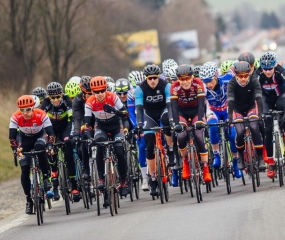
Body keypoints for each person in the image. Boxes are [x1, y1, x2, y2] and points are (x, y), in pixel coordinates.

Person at [83, 76, 131, 198]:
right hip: (101, 126)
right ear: (92, 92)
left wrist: (114, 111)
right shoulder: (89, 102)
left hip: (116, 125)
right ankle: (101, 179)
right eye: (96, 92)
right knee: (99, 145)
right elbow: (87, 124)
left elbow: (125, 114)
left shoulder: (113, 97)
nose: (100, 94)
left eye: (102, 91)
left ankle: (124, 181)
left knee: (119, 150)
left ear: (106, 89)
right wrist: (89, 137)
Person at [9, 95, 54, 215]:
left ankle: (45, 178)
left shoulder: (41, 114)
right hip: (24, 140)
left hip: (40, 137)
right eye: (22, 110)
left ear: (33, 108)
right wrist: (15, 149)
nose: (25, 113)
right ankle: (28, 200)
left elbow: (51, 134)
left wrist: (50, 145)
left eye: (28, 109)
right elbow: (12, 137)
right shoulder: (15, 117)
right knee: (24, 169)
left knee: (40, 149)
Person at [135, 65, 174, 196]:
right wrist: (140, 124)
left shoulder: (165, 85)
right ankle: (152, 178)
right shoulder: (140, 88)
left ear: (158, 77)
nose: (152, 81)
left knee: (167, 121)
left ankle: (170, 149)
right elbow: (139, 108)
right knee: (149, 145)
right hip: (149, 114)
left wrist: (172, 119)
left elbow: (169, 104)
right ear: (146, 78)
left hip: (163, 111)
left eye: (155, 78)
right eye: (150, 78)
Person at [170, 65, 212, 183]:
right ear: (178, 79)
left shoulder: (198, 83)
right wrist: (177, 124)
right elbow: (173, 107)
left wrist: (199, 120)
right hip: (181, 112)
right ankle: (185, 162)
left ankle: (205, 168)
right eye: (182, 79)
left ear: (192, 77)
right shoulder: (174, 87)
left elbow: (200, 104)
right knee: (181, 136)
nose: (185, 82)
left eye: (187, 78)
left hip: (196, 111)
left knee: (199, 136)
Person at [199, 61, 242, 178]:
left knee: (233, 135)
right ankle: (216, 155)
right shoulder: (202, 87)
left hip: (228, 109)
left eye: (210, 80)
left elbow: (236, 67)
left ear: (216, 76)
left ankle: (235, 161)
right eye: (205, 81)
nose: (208, 84)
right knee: (212, 127)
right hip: (213, 111)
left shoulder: (227, 79)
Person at [40, 82, 80, 201]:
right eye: (53, 98)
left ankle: (74, 186)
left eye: (58, 97)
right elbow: (41, 121)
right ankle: (55, 178)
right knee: (50, 149)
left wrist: (71, 135)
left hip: (65, 128)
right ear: (48, 97)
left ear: (62, 94)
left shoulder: (67, 101)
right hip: (51, 129)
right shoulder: (46, 103)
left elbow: (72, 119)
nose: (56, 100)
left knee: (68, 149)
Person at [255, 51, 285, 179]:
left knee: (283, 110)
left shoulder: (280, 71)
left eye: (270, 68)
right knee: (268, 130)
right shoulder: (257, 74)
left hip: (280, 96)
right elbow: (256, 94)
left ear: (275, 66)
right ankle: (270, 162)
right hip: (265, 99)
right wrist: (260, 113)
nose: (268, 71)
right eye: (265, 69)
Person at [227, 61, 265, 171]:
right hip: (237, 109)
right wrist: (229, 117)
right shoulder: (232, 83)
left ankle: (260, 157)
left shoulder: (254, 80)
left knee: (254, 127)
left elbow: (259, 98)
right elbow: (230, 101)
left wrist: (260, 113)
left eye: (245, 76)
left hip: (251, 107)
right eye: (240, 76)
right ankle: (240, 157)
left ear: (249, 74)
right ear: (236, 75)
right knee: (239, 132)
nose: (243, 79)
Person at [72, 75, 92, 181]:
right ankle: (86, 169)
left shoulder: (97, 97)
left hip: (96, 121)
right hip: (84, 122)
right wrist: (76, 134)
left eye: (92, 92)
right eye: (88, 93)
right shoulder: (77, 100)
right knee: (84, 139)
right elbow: (77, 119)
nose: (91, 95)